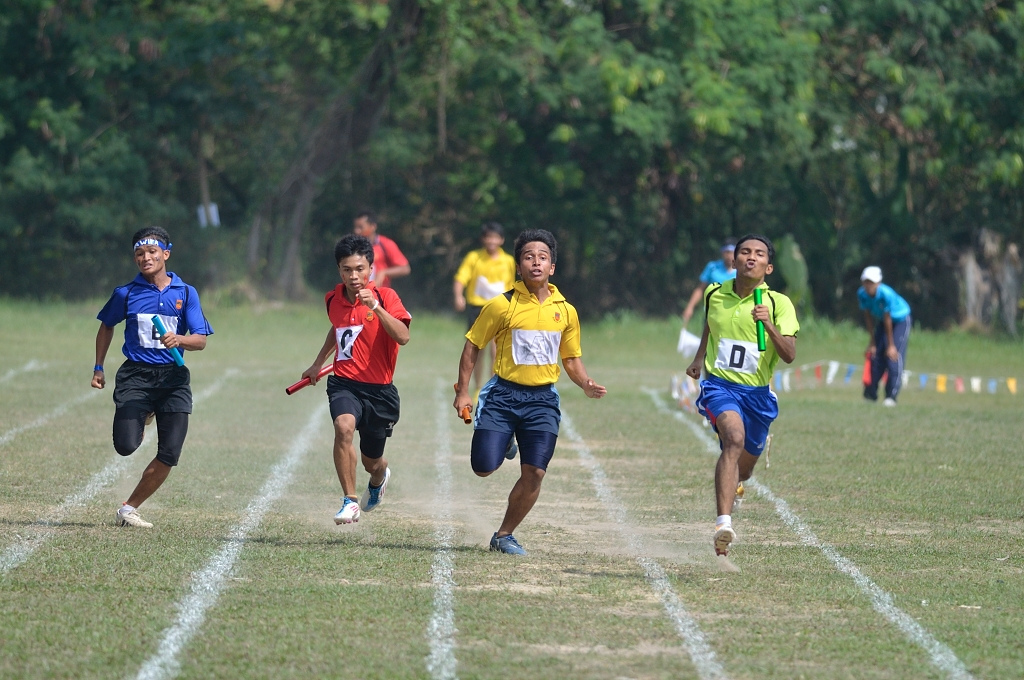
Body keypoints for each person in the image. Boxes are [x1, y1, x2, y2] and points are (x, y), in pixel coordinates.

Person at [453, 228, 606, 556]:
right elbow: (473, 346)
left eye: (543, 257)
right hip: (502, 396)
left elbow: (571, 358)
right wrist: (463, 391)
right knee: (482, 467)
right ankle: (505, 437)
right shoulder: (501, 305)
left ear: (552, 267)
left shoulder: (566, 310)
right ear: (518, 267)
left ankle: (504, 534)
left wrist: (585, 382)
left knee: (535, 471)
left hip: (542, 400)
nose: (536, 263)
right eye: (528, 257)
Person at [92, 226, 214, 528]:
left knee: (170, 452)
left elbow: (200, 339)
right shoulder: (126, 293)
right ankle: (144, 412)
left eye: (151, 252)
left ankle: (129, 508)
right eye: (139, 254)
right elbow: (106, 325)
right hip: (136, 376)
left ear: (166, 254)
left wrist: (179, 340)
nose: (145, 258)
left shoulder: (185, 293)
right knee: (124, 446)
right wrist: (98, 366)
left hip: (173, 379)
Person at [685, 234, 798, 557]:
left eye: (759, 254)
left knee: (744, 469)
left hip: (758, 395)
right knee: (732, 438)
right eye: (744, 252)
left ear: (769, 266)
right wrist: (698, 358)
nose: (751, 257)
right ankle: (723, 524)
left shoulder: (777, 304)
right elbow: (709, 323)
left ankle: (735, 484)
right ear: (733, 261)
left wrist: (769, 325)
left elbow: (789, 354)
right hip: (720, 386)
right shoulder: (714, 294)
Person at [300, 234, 411, 525]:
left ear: (371, 269)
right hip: (344, 383)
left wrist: (375, 307)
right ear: (339, 270)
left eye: (360, 269)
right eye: (347, 269)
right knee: (343, 427)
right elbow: (337, 329)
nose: (354, 276)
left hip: (380, 392)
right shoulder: (332, 298)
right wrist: (317, 363)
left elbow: (403, 336)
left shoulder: (386, 297)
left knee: (371, 462)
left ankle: (379, 475)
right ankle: (349, 502)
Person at [452, 222, 517, 396]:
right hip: (478, 308)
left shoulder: (509, 261)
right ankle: (478, 386)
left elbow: (512, 284)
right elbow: (461, 277)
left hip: (501, 309)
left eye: (495, 237)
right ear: (483, 239)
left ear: (501, 240)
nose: (492, 241)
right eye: (488, 237)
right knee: (476, 350)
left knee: (497, 350)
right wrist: (459, 295)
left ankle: (493, 386)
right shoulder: (474, 257)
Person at [857, 266, 911, 407]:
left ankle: (891, 396)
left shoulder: (886, 294)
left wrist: (891, 345)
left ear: (878, 282)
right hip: (883, 322)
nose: (869, 286)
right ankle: (871, 394)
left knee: (893, 356)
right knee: (875, 356)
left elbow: (889, 318)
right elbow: (868, 316)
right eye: (866, 282)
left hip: (899, 321)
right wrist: (872, 342)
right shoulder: (862, 294)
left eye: (872, 282)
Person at [681, 238, 737, 327]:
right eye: (726, 252)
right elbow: (700, 289)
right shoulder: (712, 267)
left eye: (731, 252)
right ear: (722, 252)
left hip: (733, 314)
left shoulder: (741, 271)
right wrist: (690, 307)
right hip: (711, 313)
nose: (729, 255)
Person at [353, 210, 410, 288]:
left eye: (360, 227)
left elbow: (405, 269)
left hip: (380, 293)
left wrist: (384, 272)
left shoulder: (385, 244)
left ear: (373, 227)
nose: (357, 231)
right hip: (358, 293)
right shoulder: (353, 247)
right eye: (356, 227)